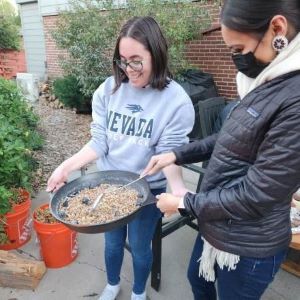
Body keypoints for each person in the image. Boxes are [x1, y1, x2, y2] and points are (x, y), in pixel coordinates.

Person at [142, 1, 300, 299]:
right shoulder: (264, 82)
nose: (236, 60)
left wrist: (184, 203)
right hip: (217, 224)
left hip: (249, 245)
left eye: (239, 49)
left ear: (277, 29)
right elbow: (227, 138)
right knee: (198, 281)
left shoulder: (293, 99)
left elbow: (257, 195)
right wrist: (176, 154)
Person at [46, 16, 194, 300]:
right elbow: (99, 141)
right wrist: (65, 167)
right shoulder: (109, 89)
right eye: (122, 60)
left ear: (157, 53)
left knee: (140, 247)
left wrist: (178, 191)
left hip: (148, 189)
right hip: (107, 184)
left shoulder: (176, 101)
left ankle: (138, 293)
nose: (129, 69)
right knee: (112, 243)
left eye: (136, 60)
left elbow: (169, 155)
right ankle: (112, 285)